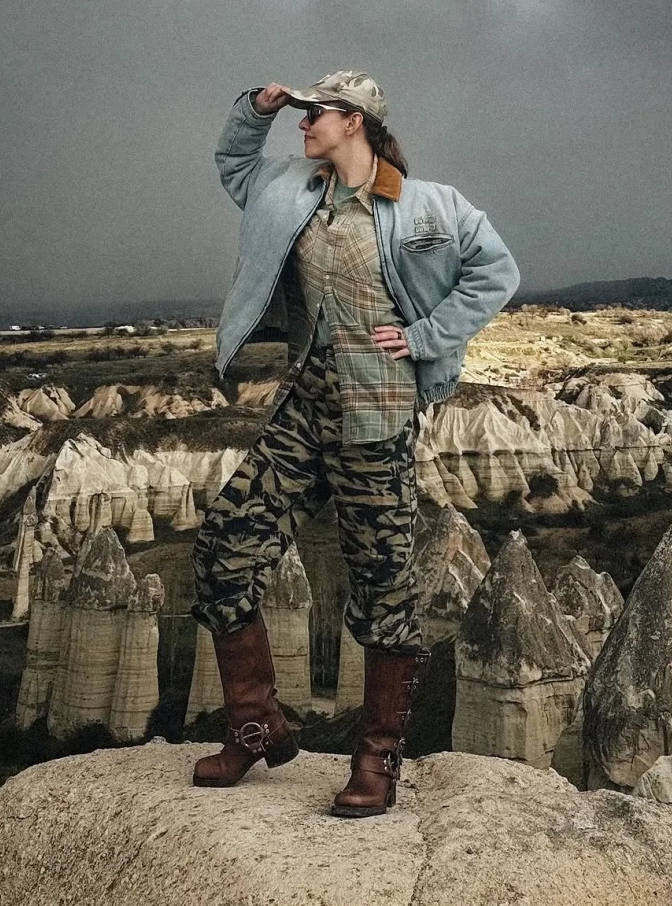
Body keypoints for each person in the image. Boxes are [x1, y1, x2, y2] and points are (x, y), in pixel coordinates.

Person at [191, 70, 520, 817]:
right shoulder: (289, 189)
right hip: (304, 407)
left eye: (316, 112)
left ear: (356, 121)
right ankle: (254, 725)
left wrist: (426, 336)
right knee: (222, 552)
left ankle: (376, 758)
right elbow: (234, 164)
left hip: (378, 414)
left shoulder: (428, 204)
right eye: (302, 111)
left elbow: (496, 272)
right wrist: (255, 109)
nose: (304, 122)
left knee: (382, 586)